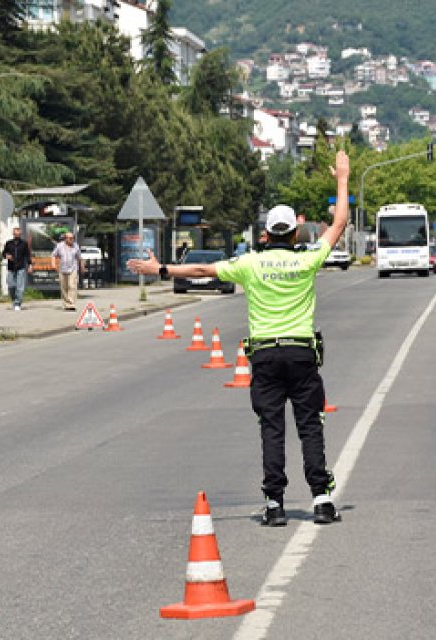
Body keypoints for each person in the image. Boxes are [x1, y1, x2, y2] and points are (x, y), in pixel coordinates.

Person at [129, 150, 351, 527]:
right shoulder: (306, 260)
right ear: (295, 233)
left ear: (265, 235)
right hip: (301, 355)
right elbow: (340, 223)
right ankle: (322, 499)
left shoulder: (249, 264)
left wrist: (161, 268)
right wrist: (342, 179)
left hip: (264, 357)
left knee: (272, 428)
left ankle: (274, 504)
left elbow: (202, 268)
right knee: (310, 424)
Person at [2, 226, 33, 311]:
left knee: (20, 287)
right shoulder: (8, 243)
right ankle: (13, 300)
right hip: (11, 267)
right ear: (13, 234)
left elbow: (27, 255)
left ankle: (17, 303)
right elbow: (4, 253)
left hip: (21, 267)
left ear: (20, 234)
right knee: (11, 285)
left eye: (18, 234)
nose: (16, 235)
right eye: (15, 234)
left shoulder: (24, 243)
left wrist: (30, 265)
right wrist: (6, 256)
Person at [51, 232, 83, 311]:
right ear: (65, 239)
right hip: (62, 269)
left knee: (72, 286)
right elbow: (53, 255)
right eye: (69, 238)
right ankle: (66, 304)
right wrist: (53, 264)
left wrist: (82, 267)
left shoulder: (76, 246)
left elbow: (79, 257)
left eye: (73, 238)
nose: (71, 239)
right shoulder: (60, 246)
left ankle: (71, 303)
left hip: (73, 269)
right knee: (64, 287)